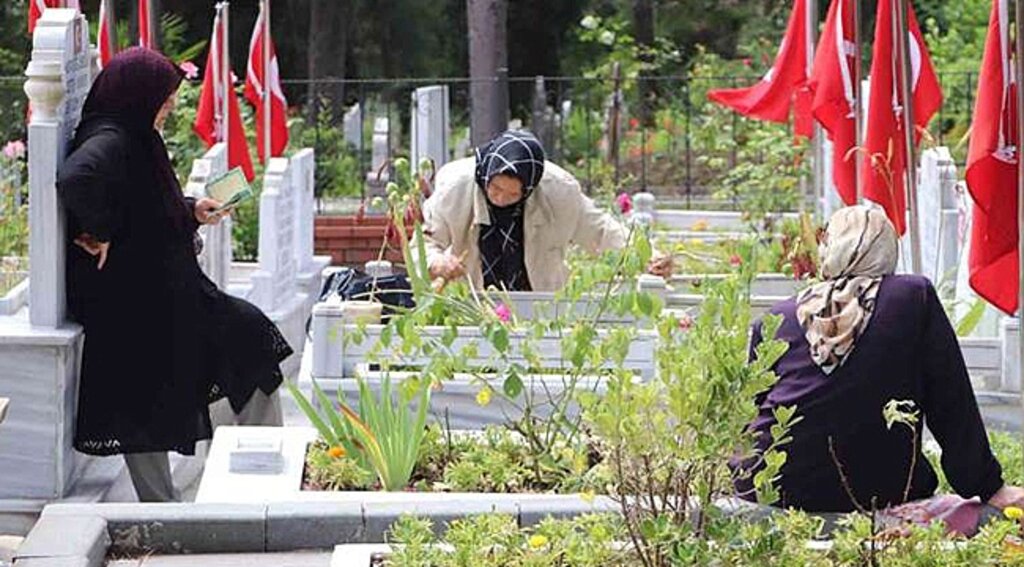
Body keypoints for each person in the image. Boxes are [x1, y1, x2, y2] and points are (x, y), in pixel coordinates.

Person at [57, 48, 292, 502]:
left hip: (164, 292)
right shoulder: (112, 139)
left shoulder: (134, 135)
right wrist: (99, 231)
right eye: (163, 99)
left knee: (250, 347)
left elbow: (142, 208)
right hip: (140, 302)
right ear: (138, 95)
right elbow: (76, 179)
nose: (168, 107)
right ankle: (162, 508)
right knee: (159, 392)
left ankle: (260, 479)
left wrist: (190, 212)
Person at [733, 206, 1024, 515]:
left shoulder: (779, 316)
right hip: (879, 491)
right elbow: (951, 403)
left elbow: (748, 415)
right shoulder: (912, 296)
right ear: (886, 249)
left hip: (769, 488)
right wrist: (987, 485)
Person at [421, 129, 672, 292]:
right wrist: (438, 262)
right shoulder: (455, 189)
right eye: (495, 188)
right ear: (485, 175)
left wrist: (648, 255)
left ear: (529, 188)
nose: (500, 198)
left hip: (540, 302)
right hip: (469, 300)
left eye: (512, 194)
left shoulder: (559, 191)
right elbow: (422, 243)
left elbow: (600, 231)